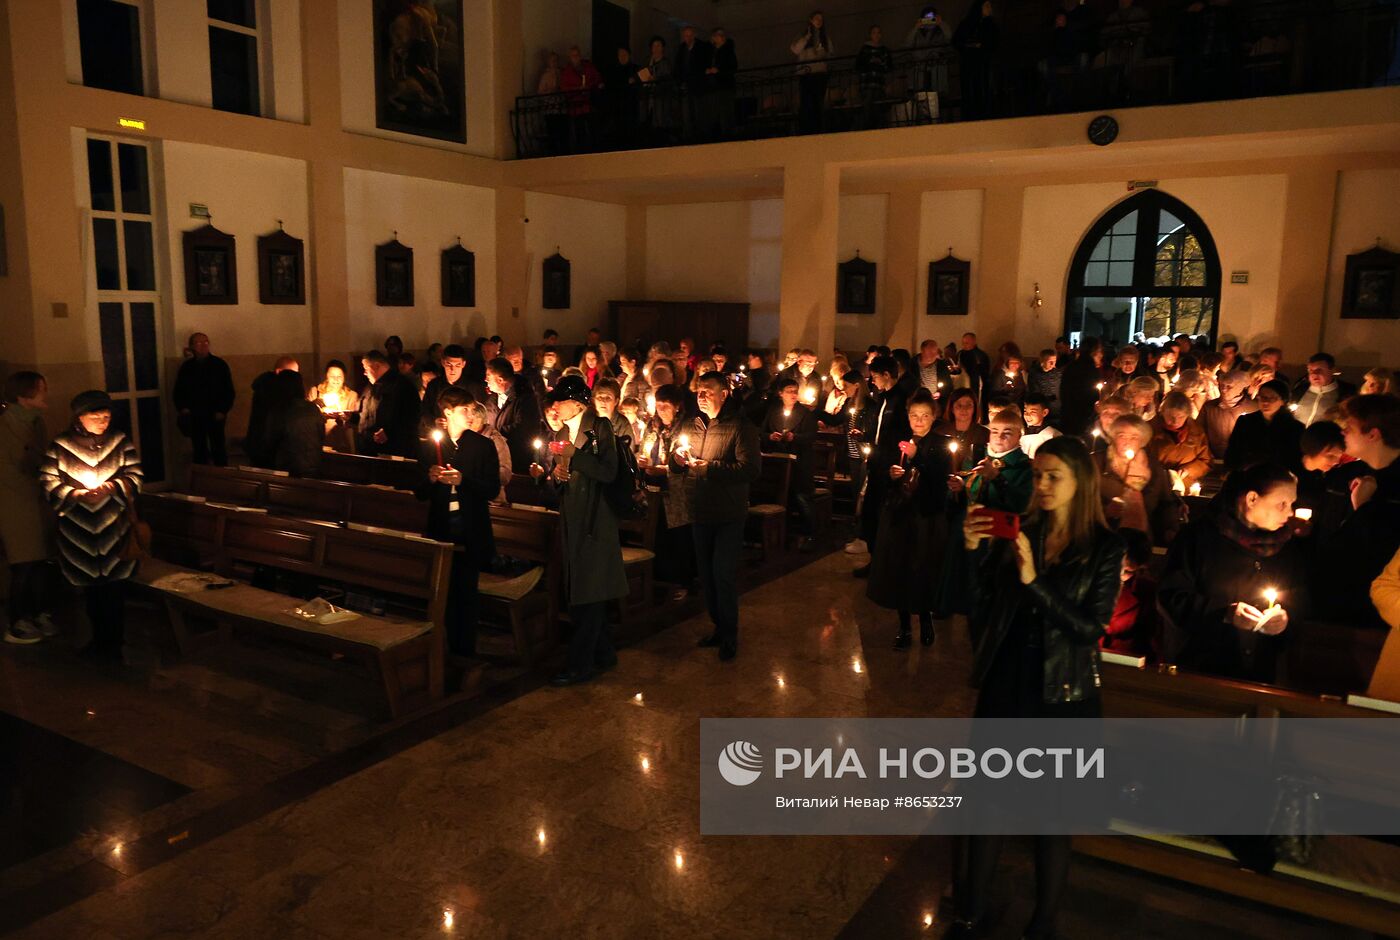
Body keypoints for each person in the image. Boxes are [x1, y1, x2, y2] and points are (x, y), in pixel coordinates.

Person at [954, 436, 1124, 939]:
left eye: (1056, 477)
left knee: (1054, 814)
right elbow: (980, 604)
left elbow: (1091, 629)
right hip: (1008, 682)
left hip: (1064, 693)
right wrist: (970, 552)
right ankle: (971, 910)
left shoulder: (1103, 547)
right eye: (1040, 474)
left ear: (1080, 484)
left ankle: (1044, 920)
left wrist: (1035, 582)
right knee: (987, 803)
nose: (1044, 485)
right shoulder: (1020, 529)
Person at [1158, 463, 1303, 683]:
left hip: (1257, 673)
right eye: (1282, 503)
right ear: (1252, 499)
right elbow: (1171, 598)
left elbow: (1298, 598)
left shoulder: (1285, 547)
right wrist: (1225, 613)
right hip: (1200, 669)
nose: (1289, 512)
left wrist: (1284, 621)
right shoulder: (1198, 539)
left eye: (1291, 503)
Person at [532, 376, 628, 685]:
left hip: (595, 521)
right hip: (572, 520)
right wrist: (555, 475)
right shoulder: (560, 432)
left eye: (560, 401)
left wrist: (577, 457)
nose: (555, 407)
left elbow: (609, 471)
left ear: (577, 403)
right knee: (584, 593)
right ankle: (604, 654)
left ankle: (579, 665)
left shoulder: (600, 428)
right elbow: (562, 478)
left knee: (589, 594)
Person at [39, 390, 144, 662]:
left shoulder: (119, 442)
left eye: (106, 416)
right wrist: (76, 495)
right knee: (92, 595)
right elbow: (48, 481)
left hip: (115, 529)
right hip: (78, 531)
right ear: (79, 416)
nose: (102, 420)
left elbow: (135, 474)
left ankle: (115, 643)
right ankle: (99, 641)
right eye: (95, 415)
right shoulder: (61, 446)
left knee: (115, 591)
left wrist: (112, 487)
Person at [669, 371, 760, 660]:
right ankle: (718, 627)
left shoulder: (741, 426)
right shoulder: (692, 424)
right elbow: (676, 463)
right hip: (700, 510)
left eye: (708, 391)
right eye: (699, 391)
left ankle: (730, 635)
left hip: (729, 512)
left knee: (722, 574)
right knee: (706, 577)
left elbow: (750, 469)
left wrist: (709, 468)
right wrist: (677, 459)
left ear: (724, 394)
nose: (701, 395)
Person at [419, 386, 500, 658]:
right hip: (441, 529)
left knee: (466, 594)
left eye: (472, 409)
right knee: (443, 594)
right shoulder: (435, 445)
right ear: (448, 412)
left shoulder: (482, 446)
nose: (470, 415)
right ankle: (441, 650)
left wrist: (463, 481)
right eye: (464, 410)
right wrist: (429, 478)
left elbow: (491, 489)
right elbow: (419, 491)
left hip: (469, 530)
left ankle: (464, 652)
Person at [867, 389, 951, 648]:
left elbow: (939, 479)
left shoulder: (939, 444)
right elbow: (883, 474)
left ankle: (925, 619)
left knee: (922, 569)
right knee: (899, 570)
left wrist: (919, 457)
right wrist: (891, 475)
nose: (919, 420)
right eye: (914, 415)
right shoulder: (898, 441)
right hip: (901, 516)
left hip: (925, 517)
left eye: (925, 415)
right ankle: (904, 626)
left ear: (933, 417)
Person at [1317, 394, 1400, 629]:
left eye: (1350, 427)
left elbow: (1380, 553)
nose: (1343, 432)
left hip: (1371, 615)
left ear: (1373, 434)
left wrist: (1363, 508)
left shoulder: (1392, 487)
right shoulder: (1352, 472)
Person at [1, 372, 56, 645]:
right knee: (23, 562)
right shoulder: (6, 425)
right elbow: (9, 467)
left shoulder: (36, 423)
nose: (45, 393)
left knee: (39, 562)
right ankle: (17, 620)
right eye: (40, 389)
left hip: (35, 499)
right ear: (23, 396)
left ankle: (39, 613)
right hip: (14, 503)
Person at [854, 357, 911, 577]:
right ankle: (874, 560)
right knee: (870, 513)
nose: (872, 381)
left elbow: (899, 434)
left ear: (887, 375)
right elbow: (881, 430)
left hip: (890, 466)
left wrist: (894, 462)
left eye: (875, 377)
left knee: (882, 514)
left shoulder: (901, 399)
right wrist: (868, 437)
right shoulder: (883, 398)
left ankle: (884, 564)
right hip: (878, 463)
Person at [639, 384, 697, 601]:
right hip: (654, 490)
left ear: (677, 406)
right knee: (659, 535)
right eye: (659, 405)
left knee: (679, 538)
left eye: (666, 405)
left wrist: (666, 467)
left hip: (678, 492)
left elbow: (687, 458)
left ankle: (683, 581)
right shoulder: (652, 427)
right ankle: (659, 579)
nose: (662, 410)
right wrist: (642, 461)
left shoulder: (687, 427)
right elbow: (644, 450)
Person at [1097, 413, 1181, 545]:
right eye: (1122, 436)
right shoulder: (1096, 464)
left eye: (1134, 437)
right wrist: (1104, 511)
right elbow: (1083, 501)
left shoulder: (1153, 468)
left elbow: (1166, 503)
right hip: (1104, 539)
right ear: (1113, 438)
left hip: (1142, 540)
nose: (1127, 442)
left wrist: (1170, 529)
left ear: (1142, 441)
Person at [761, 378, 819, 551]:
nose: (793, 394)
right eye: (789, 391)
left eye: (795, 391)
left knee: (801, 497)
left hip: (799, 463)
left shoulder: (805, 413)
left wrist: (796, 437)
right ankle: (779, 535)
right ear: (781, 393)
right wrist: (770, 437)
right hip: (778, 461)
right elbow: (762, 432)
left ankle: (810, 534)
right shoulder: (773, 411)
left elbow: (811, 436)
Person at [172, 332, 235, 466]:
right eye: (199, 343)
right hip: (195, 414)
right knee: (199, 449)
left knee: (218, 448)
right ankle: (202, 480)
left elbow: (228, 390)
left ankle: (222, 479)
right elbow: (179, 390)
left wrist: (222, 410)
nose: (203, 346)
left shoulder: (219, 365)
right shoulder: (187, 367)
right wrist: (183, 408)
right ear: (192, 346)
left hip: (215, 413)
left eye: (206, 342)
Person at [1102, 528, 1158, 659]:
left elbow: (1148, 641)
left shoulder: (1145, 592)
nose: (1118, 576)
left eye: (1127, 571)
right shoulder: (1088, 581)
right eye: (1115, 568)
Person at [1225, 379, 1303, 473]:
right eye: (1262, 397)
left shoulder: (1295, 428)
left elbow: (1294, 460)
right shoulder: (1245, 422)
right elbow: (1233, 451)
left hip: (1278, 479)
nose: (1265, 402)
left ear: (1283, 401)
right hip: (1248, 476)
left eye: (1272, 398)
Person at [485, 357, 542, 472]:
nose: (486, 380)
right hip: (495, 458)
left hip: (516, 460)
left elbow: (523, 429)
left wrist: (493, 434)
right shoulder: (492, 398)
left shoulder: (526, 399)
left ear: (500, 380)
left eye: (488, 376)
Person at [358, 350, 419, 458]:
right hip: (368, 449)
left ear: (377, 365)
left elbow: (412, 418)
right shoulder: (369, 387)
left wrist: (389, 433)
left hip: (391, 451)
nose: (364, 373)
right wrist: (351, 417)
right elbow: (365, 415)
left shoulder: (403, 386)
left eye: (366, 368)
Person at [266, 370, 323, 477]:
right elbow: (321, 435)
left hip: (288, 469)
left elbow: (270, 440)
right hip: (313, 466)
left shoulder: (280, 410)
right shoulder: (313, 408)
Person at [1150, 390, 1211, 490]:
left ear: (1187, 415)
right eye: (1171, 416)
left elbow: (1206, 461)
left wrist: (1188, 470)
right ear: (1162, 412)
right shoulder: (1149, 430)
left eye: (1180, 416)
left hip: (1185, 485)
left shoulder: (1197, 432)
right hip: (1156, 485)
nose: (1175, 421)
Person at [245, 355, 298, 467]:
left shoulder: (267, 385)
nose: (296, 379)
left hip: (263, 444)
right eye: (292, 374)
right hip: (267, 445)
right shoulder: (272, 390)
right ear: (279, 371)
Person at [953, 0, 1000, 120]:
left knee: (984, 89)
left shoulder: (991, 25)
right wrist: (969, 45)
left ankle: (986, 113)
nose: (989, 8)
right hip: (969, 63)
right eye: (986, 6)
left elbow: (994, 43)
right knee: (971, 90)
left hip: (984, 63)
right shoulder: (967, 24)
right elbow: (956, 41)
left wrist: (982, 45)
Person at [1200, 368, 1256, 460]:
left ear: (1241, 387)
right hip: (1215, 460)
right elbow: (1199, 434)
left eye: (1229, 386)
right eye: (1222, 385)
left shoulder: (1254, 408)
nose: (1224, 390)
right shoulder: (1209, 408)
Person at [1291, 352, 1356, 427]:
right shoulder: (1299, 390)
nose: (1314, 374)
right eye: (1310, 370)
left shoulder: (1346, 393)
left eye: (1319, 370)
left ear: (1332, 370)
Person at [1058, 336, 1104, 435]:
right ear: (1094, 351)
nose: (1102, 354)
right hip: (1084, 418)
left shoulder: (1071, 366)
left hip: (1067, 415)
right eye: (1100, 350)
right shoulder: (1091, 370)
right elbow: (1093, 396)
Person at [906, 5, 953, 100]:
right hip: (921, 69)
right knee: (922, 97)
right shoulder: (918, 33)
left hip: (937, 68)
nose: (929, 20)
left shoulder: (940, 31)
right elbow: (907, 43)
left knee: (937, 97)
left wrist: (941, 23)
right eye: (926, 18)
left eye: (931, 17)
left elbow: (950, 38)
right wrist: (916, 28)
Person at [854, 25, 893, 129]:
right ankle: (869, 126)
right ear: (870, 35)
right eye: (874, 33)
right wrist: (869, 62)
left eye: (878, 33)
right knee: (868, 102)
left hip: (879, 83)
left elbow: (889, 66)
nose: (876, 35)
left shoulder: (884, 50)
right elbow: (858, 65)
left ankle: (876, 126)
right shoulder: (865, 49)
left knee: (877, 104)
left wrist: (880, 63)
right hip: (867, 82)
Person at [958, 332, 991, 414]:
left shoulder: (980, 355)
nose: (964, 345)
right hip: (963, 382)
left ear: (974, 342)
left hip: (976, 383)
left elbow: (983, 372)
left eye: (967, 343)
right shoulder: (961, 353)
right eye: (963, 343)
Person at [1021, 393, 1061, 458]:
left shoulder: (1052, 436)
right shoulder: (1019, 433)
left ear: (1044, 412)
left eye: (1033, 412)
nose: (1027, 415)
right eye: (1025, 411)